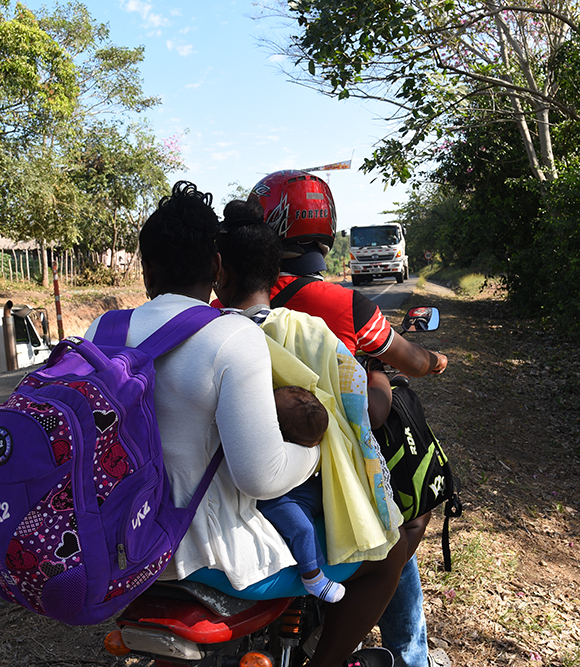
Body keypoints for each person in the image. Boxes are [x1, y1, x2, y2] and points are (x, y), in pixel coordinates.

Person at [85, 182, 405, 667]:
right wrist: (318, 450)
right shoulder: (232, 337)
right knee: (389, 555)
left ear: (145, 267)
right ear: (215, 268)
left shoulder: (102, 332)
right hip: (215, 557)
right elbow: (260, 475)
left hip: (125, 549)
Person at [248, 170, 450, 667]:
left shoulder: (229, 302)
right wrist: (433, 362)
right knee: (406, 521)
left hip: (251, 460)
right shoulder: (343, 304)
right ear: (327, 228)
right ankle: (403, 655)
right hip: (326, 466)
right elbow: (412, 364)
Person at [260, 385, 344, 603]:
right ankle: (313, 578)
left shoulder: (294, 432)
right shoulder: (275, 448)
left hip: (305, 491)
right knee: (302, 529)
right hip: (279, 499)